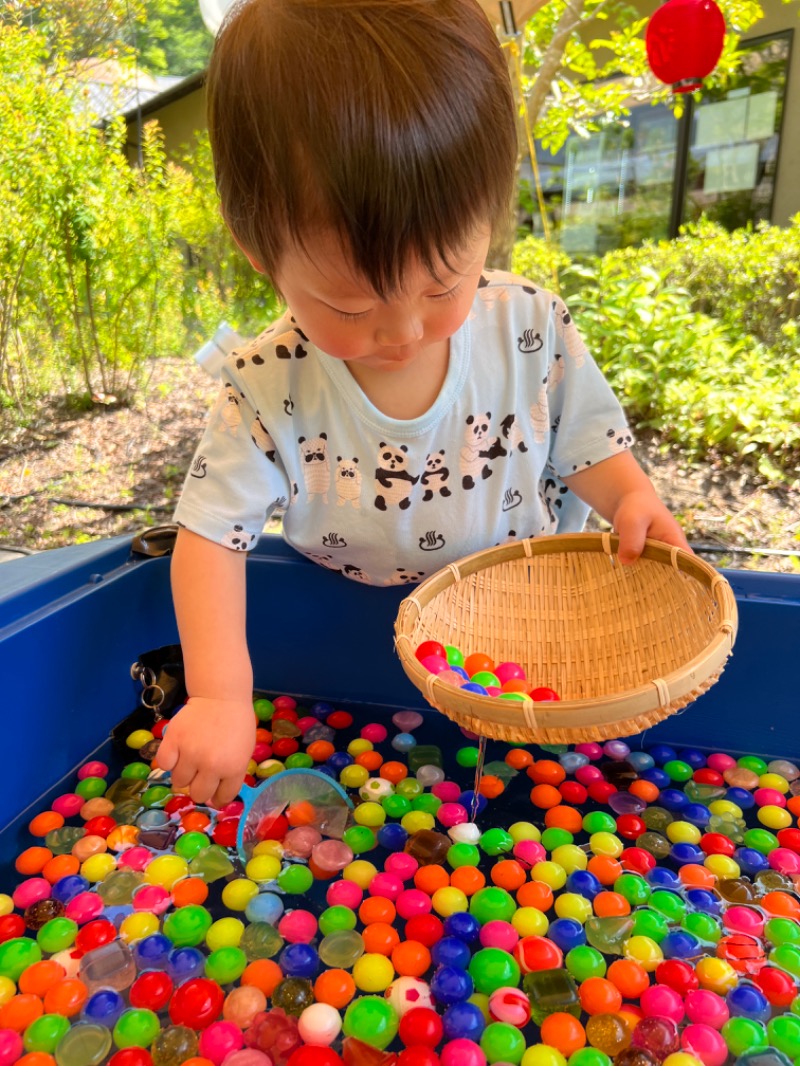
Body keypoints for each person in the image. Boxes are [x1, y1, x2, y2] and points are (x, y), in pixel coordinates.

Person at [159, 0, 690, 807]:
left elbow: (589, 444)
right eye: (349, 306)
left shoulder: (528, 327)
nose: (403, 330)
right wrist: (222, 696)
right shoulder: (269, 385)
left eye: (444, 284)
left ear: (485, 216)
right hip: (347, 627)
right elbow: (207, 536)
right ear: (260, 251)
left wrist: (631, 497)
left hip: (527, 628)